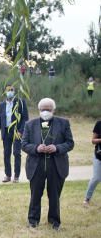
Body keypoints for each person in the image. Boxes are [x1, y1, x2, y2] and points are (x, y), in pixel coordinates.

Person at [21, 98, 74, 230]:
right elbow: (24, 144)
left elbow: (70, 143)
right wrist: (36, 148)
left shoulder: (63, 123)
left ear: (53, 110)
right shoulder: (30, 124)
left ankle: (54, 221)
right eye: (43, 109)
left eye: (48, 110)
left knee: (55, 195)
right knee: (35, 195)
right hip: (36, 165)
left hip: (56, 166)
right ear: (39, 110)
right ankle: (33, 220)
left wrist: (57, 148)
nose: (45, 112)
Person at [0, 83, 29, 183]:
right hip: (6, 131)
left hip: (16, 131)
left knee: (16, 153)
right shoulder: (2, 105)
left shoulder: (20, 103)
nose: (10, 92)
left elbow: (25, 118)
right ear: (5, 92)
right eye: (8, 90)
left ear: (15, 91)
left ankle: (16, 176)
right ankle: (8, 175)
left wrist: (21, 131)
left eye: (12, 90)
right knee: (6, 153)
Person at [83, 119, 101, 206]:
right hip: (99, 156)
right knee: (97, 178)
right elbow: (93, 141)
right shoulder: (99, 123)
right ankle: (87, 198)